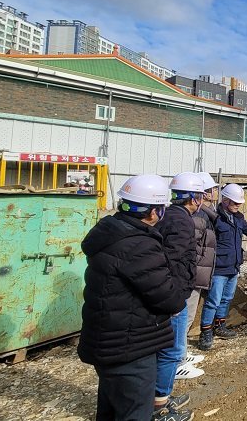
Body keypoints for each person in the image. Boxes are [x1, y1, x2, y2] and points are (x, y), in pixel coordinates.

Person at [78, 174, 192, 421]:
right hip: (130, 345)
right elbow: (167, 297)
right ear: (154, 212)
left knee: (110, 408)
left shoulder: (110, 231)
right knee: (135, 411)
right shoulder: (139, 245)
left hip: (107, 338)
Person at [153, 172, 204, 409]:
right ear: (194, 199)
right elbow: (170, 261)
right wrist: (172, 295)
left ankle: (158, 397)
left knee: (166, 347)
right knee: (171, 351)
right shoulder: (182, 222)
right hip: (175, 294)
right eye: (200, 196)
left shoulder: (168, 215)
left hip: (169, 291)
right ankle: (160, 402)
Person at [197, 183, 247, 350]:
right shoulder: (215, 217)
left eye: (239, 202)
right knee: (213, 300)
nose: (238, 205)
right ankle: (205, 331)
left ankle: (220, 326)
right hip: (219, 267)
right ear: (225, 200)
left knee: (226, 298)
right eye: (235, 202)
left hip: (234, 266)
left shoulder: (238, 218)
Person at [179, 172, 219, 370]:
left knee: (187, 314)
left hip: (196, 271)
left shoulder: (205, 213)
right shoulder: (198, 215)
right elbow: (192, 249)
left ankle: (181, 352)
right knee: (184, 316)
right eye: (212, 189)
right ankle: (177, 359)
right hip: (192, 273)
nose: (215, 192)